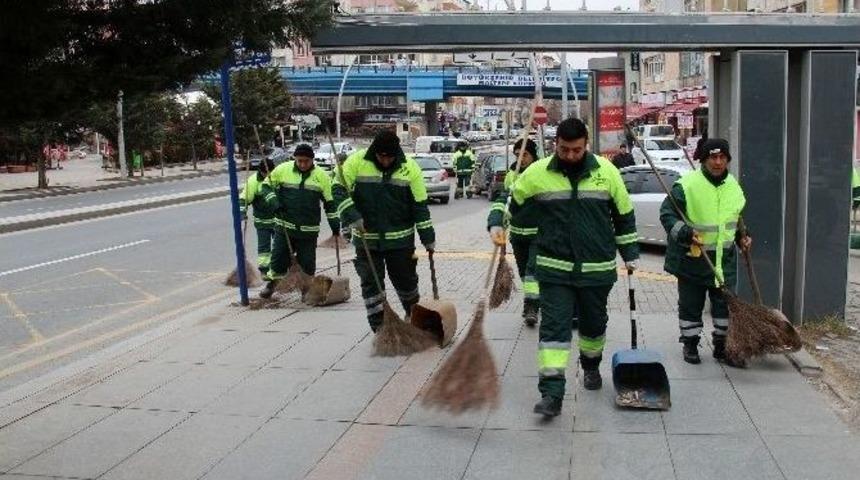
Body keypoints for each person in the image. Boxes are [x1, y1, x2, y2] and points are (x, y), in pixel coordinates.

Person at [495, 118, 639, 418]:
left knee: (593, 325)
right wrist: (497, 222)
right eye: (564, 149)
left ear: (586, 145)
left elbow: (624, 215)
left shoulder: (606, 172)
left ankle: (590, 365)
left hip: (596, 268)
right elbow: (510, 199)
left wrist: (630, 253)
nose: (570, 156)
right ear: (555, 145)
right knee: (554, 329)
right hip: (553, 267)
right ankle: (551, 393)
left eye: (576, 150)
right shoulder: (538, 172)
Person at [659, 138, 751, 368]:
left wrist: (743, 238)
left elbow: (734, 219)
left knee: (724, 307)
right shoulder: (687, 185)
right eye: (713, 157)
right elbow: (667, 215)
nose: (718, 162)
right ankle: (690, 343)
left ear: (728, 160)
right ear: (704, 159)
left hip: (724, 261)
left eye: (722, 158)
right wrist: (686, 233)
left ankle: (722, 345)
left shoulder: (733, 186)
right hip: (694, 259)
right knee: (691, 305)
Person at [333, 131, 436, 332]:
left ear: (396, 153)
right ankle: (380, 329)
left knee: (406, 283)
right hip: (366, 240)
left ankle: (412, 314)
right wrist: (352, 216)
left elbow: (420, 206)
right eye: (382, 156)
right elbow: (337, 189)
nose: (386, 161)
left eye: (390, 157)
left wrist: (428, 237)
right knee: (372, 286)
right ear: (374, 152)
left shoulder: (410, 168)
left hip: (400, 241)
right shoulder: (356, 162)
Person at [258, 144, 340, 298]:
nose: (302, 164)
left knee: (307, 263)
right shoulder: (283, 170)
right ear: (294, 158)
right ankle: (272, 285)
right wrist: (274, 203)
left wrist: (335, 226)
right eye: (299, 161)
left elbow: (330, 204)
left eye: (306, 161)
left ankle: (306, 290)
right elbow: (266, 187)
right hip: (285, 227)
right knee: (278, 260)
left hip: (308, 231)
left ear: (312, 160)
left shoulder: (321, 176)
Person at [487, 138, 541, 327]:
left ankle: (531, 306)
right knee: (524, 273)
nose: (520, 159)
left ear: (534, 156)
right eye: (517, 155)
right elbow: (507, 202)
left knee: (532, 271)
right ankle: (534, 299)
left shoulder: (542, 174)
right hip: (518, 234)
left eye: (524, 155)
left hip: (538, 234)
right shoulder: (511, 175)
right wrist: (500, 224)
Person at [239, 157, 277, 280]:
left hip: (278, 220)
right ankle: (265, 271)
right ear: (260, 171)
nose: (268, 175)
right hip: (262, 221)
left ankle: (279, 268)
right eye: (265, 173)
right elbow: (244, 199)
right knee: (264, 248)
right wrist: (242, 212)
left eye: (270, 173)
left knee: (280, 246)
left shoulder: (276, 177)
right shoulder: (253, 181)